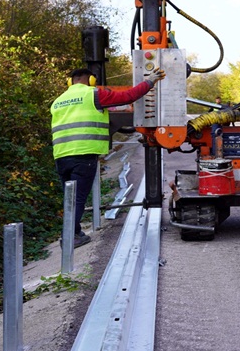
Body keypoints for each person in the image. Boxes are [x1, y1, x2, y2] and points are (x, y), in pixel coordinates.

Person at [51, 67, 166, 246]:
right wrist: (150, 81)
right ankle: (70, 238)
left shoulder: (58, 101)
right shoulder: (94, 94)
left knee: (69, 197)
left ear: (70, 82)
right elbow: (128, 96)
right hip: (84, 153)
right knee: (78, 198)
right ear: (90, 81)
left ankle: (74, 232)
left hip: (61, 155)